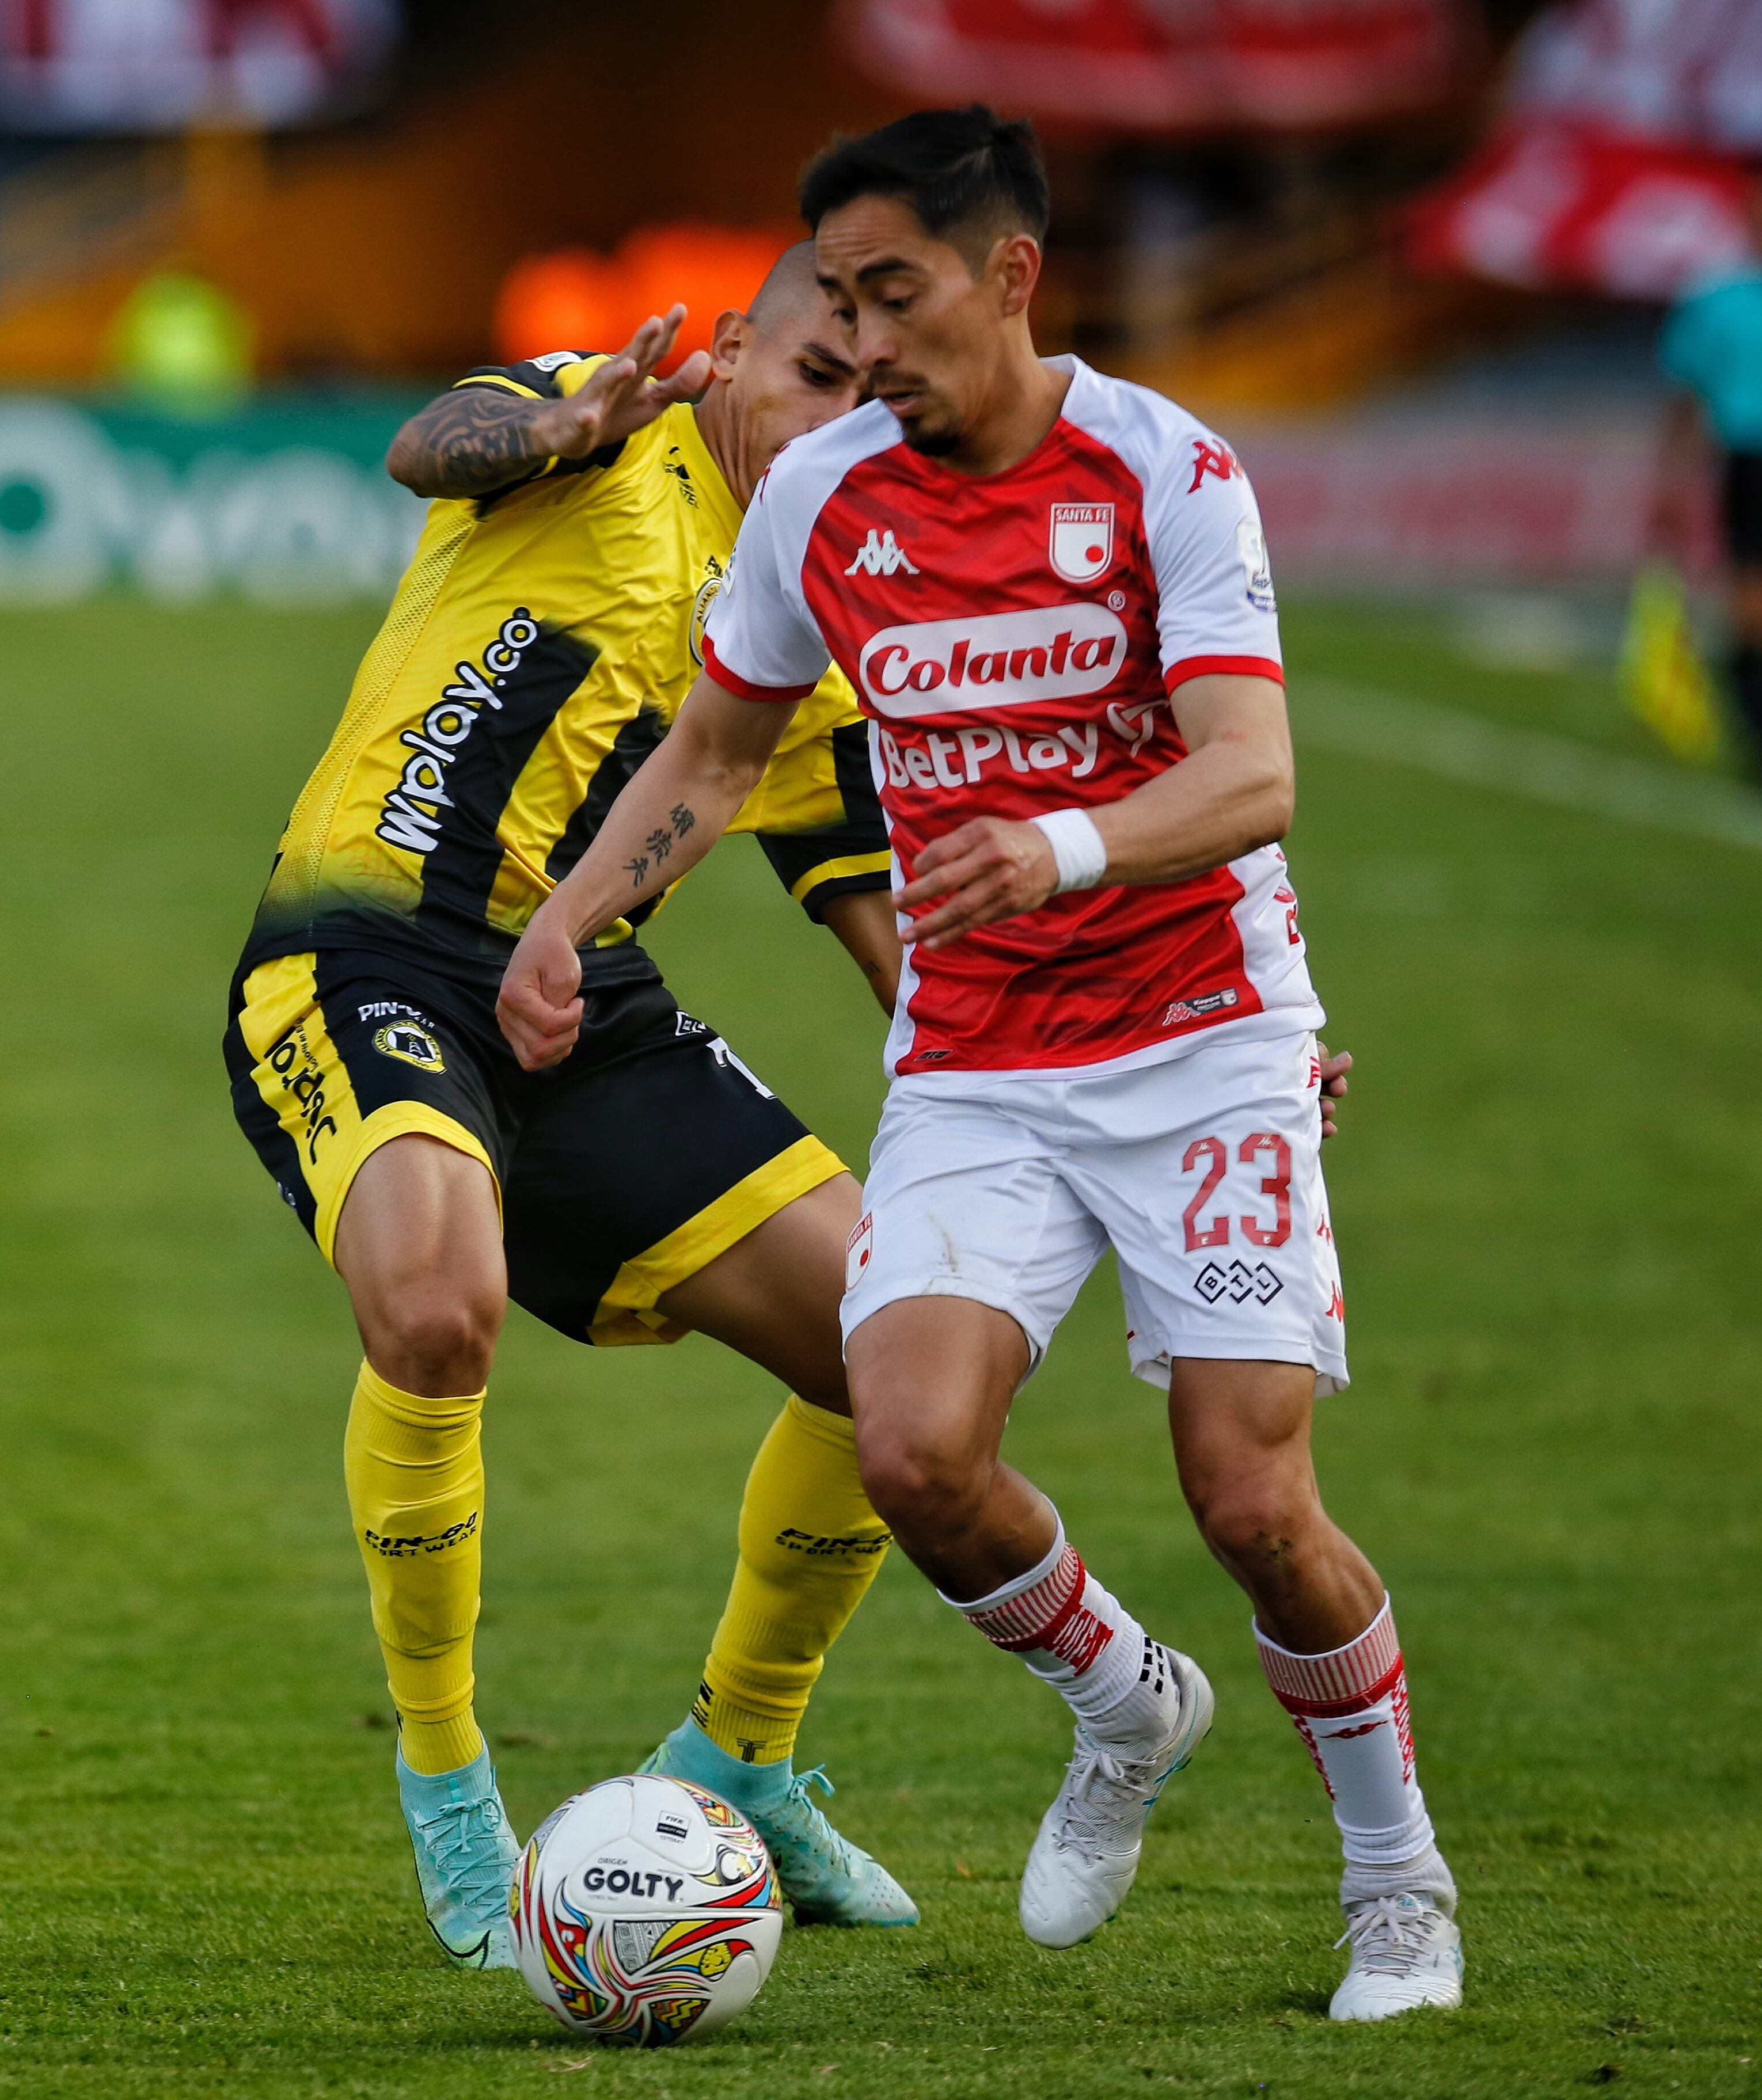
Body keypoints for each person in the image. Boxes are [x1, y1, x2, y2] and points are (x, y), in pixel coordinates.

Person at [496, 108, 1453, 2024]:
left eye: (895, 294)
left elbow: (1251, 772)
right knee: (916, 1444)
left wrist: (1063, 847)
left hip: (1203, 1043)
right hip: (982, 1059)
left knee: (1252, 1500)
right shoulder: (824, 498)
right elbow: (710, 751)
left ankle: (1395, 1884)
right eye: (834, 299)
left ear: (1012, 275)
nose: (858, 342)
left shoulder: (1162, 465)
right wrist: (566, 914)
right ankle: (1124, 1699)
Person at [225, 252, 917, 1970]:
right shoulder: (596, 428)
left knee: (900, 1339)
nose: (840, 421)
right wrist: (579, 410)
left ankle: (741, 1758)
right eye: (819, 372)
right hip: (362, 951)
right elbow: (432, 440)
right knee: (438, 1308)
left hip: (576, 1002)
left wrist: (1131, 1067)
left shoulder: (817, 620)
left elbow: (890, 923)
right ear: (735, 348)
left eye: (878, 402)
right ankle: (452, 1776)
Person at [1655, 161, 1762, 789]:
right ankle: (1761, 737)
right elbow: (1684, 394)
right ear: (1751, 216)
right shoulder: (1717, 300)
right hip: (1752, 462)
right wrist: (1670, 481)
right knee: (1757, 607)